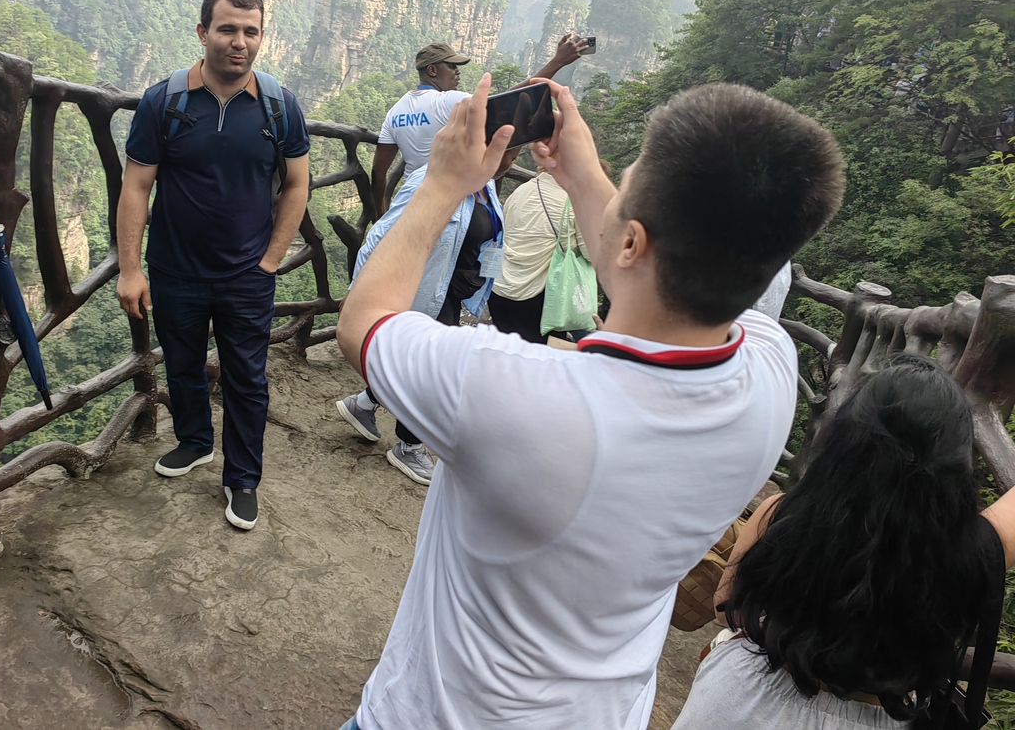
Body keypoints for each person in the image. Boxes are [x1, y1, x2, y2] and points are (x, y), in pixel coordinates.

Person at [334, 76, 845, 730]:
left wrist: (441, 184)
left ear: (630, 242)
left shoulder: (512, 392)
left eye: (623, 184)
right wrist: (581, 176)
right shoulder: (770, 372)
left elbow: (365, 322)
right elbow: (662, 275)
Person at [672, 355, 1015, 729]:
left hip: (738, 699)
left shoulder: (783, 513)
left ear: (844, 438)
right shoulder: (969, 553)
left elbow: (726, 610)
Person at [116, 0, 310, 532]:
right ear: (203, 33)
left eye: (250, 31)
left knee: (247, 378)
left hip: (247, 273)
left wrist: (272, 258)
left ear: (262, 37)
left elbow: (297, 183)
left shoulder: (278, 105)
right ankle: (196, 441)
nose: (238, 42)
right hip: (174, 268)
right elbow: (136, 186)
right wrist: (131, 269)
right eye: (227, 29)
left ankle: (242, 478)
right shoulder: (165, 102)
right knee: (181, 364)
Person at [337, 144, 520, 484]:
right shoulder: (435, 177)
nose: (513, 162)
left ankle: (363, 404)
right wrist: (357, 290)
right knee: (431, 372)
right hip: (424, 288)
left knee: (413, 362)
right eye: (512, 153)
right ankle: (408, 446)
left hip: (453, 291)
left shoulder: (487, 185)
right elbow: (383, 232)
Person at [369, 34, 589, 218]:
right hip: (453, 203)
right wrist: (557, 62)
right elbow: (506, 101)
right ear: (433, 71)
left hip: (411, 203)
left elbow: (379, 170)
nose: (457, 72)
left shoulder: (395, 111)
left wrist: (380, 215)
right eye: (452, 66)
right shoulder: (448, 101)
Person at [488, 167, 590, 344]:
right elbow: (590, 253)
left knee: (506, 352)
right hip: (540, 298)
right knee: (542, 356)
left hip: (500, 289)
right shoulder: (573, 201)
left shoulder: (520, 191)